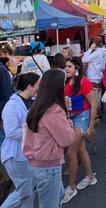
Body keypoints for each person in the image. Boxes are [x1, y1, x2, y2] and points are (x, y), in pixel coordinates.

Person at [23, 69, 75, 208]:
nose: (65, 85)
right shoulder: (53, 110)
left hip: (37, 162)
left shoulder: (37, 105)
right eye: (64, 83)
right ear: (57, 86)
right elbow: (68, 139)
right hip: (48, 165)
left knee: (54, 199)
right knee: (51, 204)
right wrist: (68, 121)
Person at [1, 72, 40, 208]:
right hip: (14, 156)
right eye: (38, 84)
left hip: (25, 154)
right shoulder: (11, 106)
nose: (40, 87)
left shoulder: (31, 101)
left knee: (28, 190)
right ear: (30, 86)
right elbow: (11, 132)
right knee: (24, 192)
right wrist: (34, 132)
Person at [63, 57, 97, 203]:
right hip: (70, 117)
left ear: (76, 67)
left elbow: (94, 104)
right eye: (66, 66)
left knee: (71, 152)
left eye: (69, 66)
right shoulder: (66, 81)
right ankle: (90, 176)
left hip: (82, 117)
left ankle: (71, 188)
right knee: (81, 149)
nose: (66, 69)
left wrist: (90, 126)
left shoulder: (83, 81)